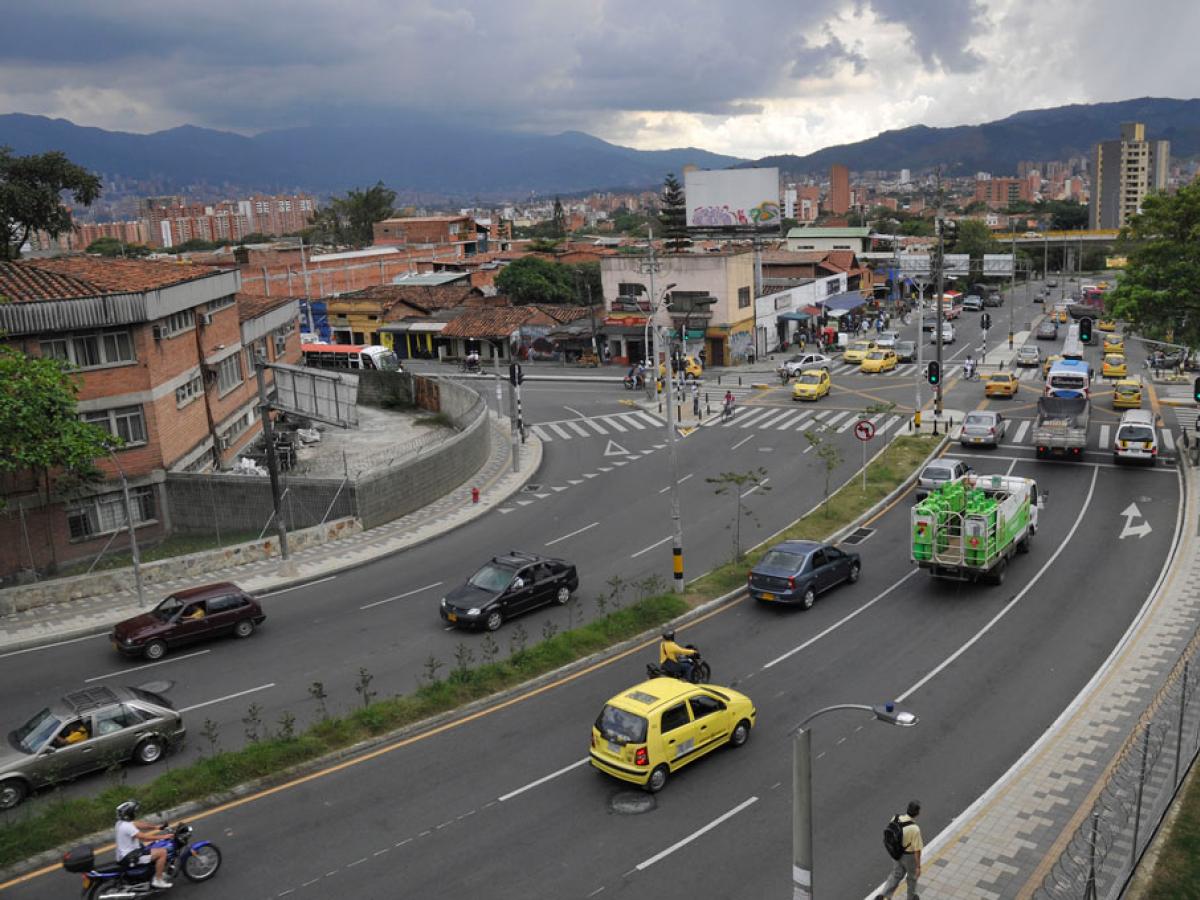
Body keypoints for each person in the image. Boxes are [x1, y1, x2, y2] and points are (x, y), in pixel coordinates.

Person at [114, 800, 173, 890]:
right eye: (133, 811)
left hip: (125, 854)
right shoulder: (127, 827)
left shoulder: (120, 823)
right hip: (130, 856)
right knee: (162, 852)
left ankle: (153, 873)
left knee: (150, 847)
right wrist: (164, 836)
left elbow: (139, 824)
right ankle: (158, 880)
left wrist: (157, 827)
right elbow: (144, 837)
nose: (135, 813)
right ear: (129, 813)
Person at [877, 800, 922, 900]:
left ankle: (883, 895)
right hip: (909, 857)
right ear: (917, 813)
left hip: (896, 853)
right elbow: (917, 850)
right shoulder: (915, 829)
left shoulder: (895, 818)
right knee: (912, 877)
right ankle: (911, 897)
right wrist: (918, 866)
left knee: (896, 874)